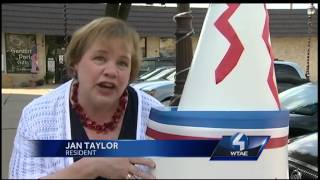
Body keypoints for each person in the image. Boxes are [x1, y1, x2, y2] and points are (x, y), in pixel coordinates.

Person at [9, 17, 163, 179]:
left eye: (122, 63)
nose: (111, 71)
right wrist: (91, 167)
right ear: (76, 62)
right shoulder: (38, 116)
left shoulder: (155, 116)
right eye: (100, 58)